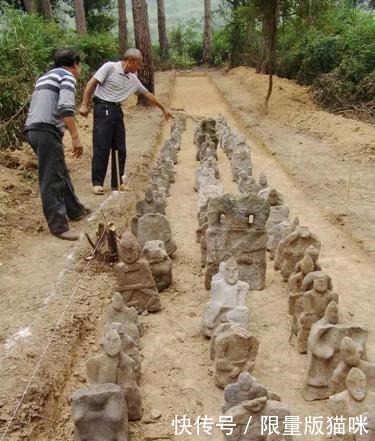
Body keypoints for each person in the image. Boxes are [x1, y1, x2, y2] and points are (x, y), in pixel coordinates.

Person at [79, 48, 172, 195]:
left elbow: (147, 94)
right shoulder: (110, 67)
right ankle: (97, 183)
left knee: (120, 148)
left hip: (117, 110)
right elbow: (92, 83)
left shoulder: (133, 79)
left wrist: (163, 109)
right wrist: (84, 104)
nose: (139, 68)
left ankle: (117, 182)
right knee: (102, 146)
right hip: (103, 108)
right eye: (139, 64)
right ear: (131, 61)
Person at [24, 49, 89, 241]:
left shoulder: (45, 77)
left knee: (59, 170)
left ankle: (75, 210)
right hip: (46, 130)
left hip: (33, 129)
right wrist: (75, 137)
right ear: (75, 64)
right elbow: (65, 107)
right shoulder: (67, 77)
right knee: (51, 178)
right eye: (79, 65)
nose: (79, 70)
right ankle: (59, 227)